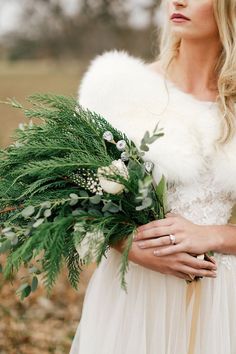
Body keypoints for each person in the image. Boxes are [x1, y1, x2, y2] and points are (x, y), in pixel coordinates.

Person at [70, 0, 236, 353]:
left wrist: (214, 234)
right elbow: (78, 201)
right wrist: (131, 247)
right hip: (134, 295)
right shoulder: (119, 89)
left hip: (218, 296)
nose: (178, 1)